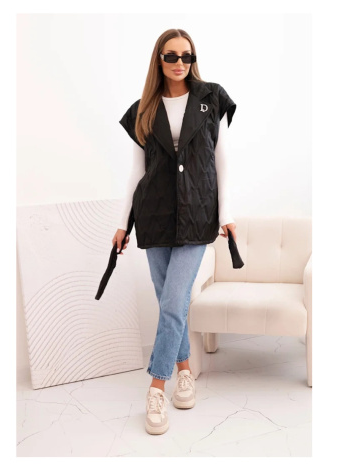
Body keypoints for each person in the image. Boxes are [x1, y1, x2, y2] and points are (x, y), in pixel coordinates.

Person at [112, 29, 237, 435]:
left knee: (172, 301)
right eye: (171, 55)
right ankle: (185, 371)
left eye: (187, 55)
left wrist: (226, 214)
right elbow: (137, 172)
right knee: (170, 301)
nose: (180, 62)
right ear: (159, 59)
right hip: (155, 215)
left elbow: (222, 160)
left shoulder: (211, 98)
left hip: (198, 217)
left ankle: (156, 387)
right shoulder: (143, 111)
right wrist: (122, 223)